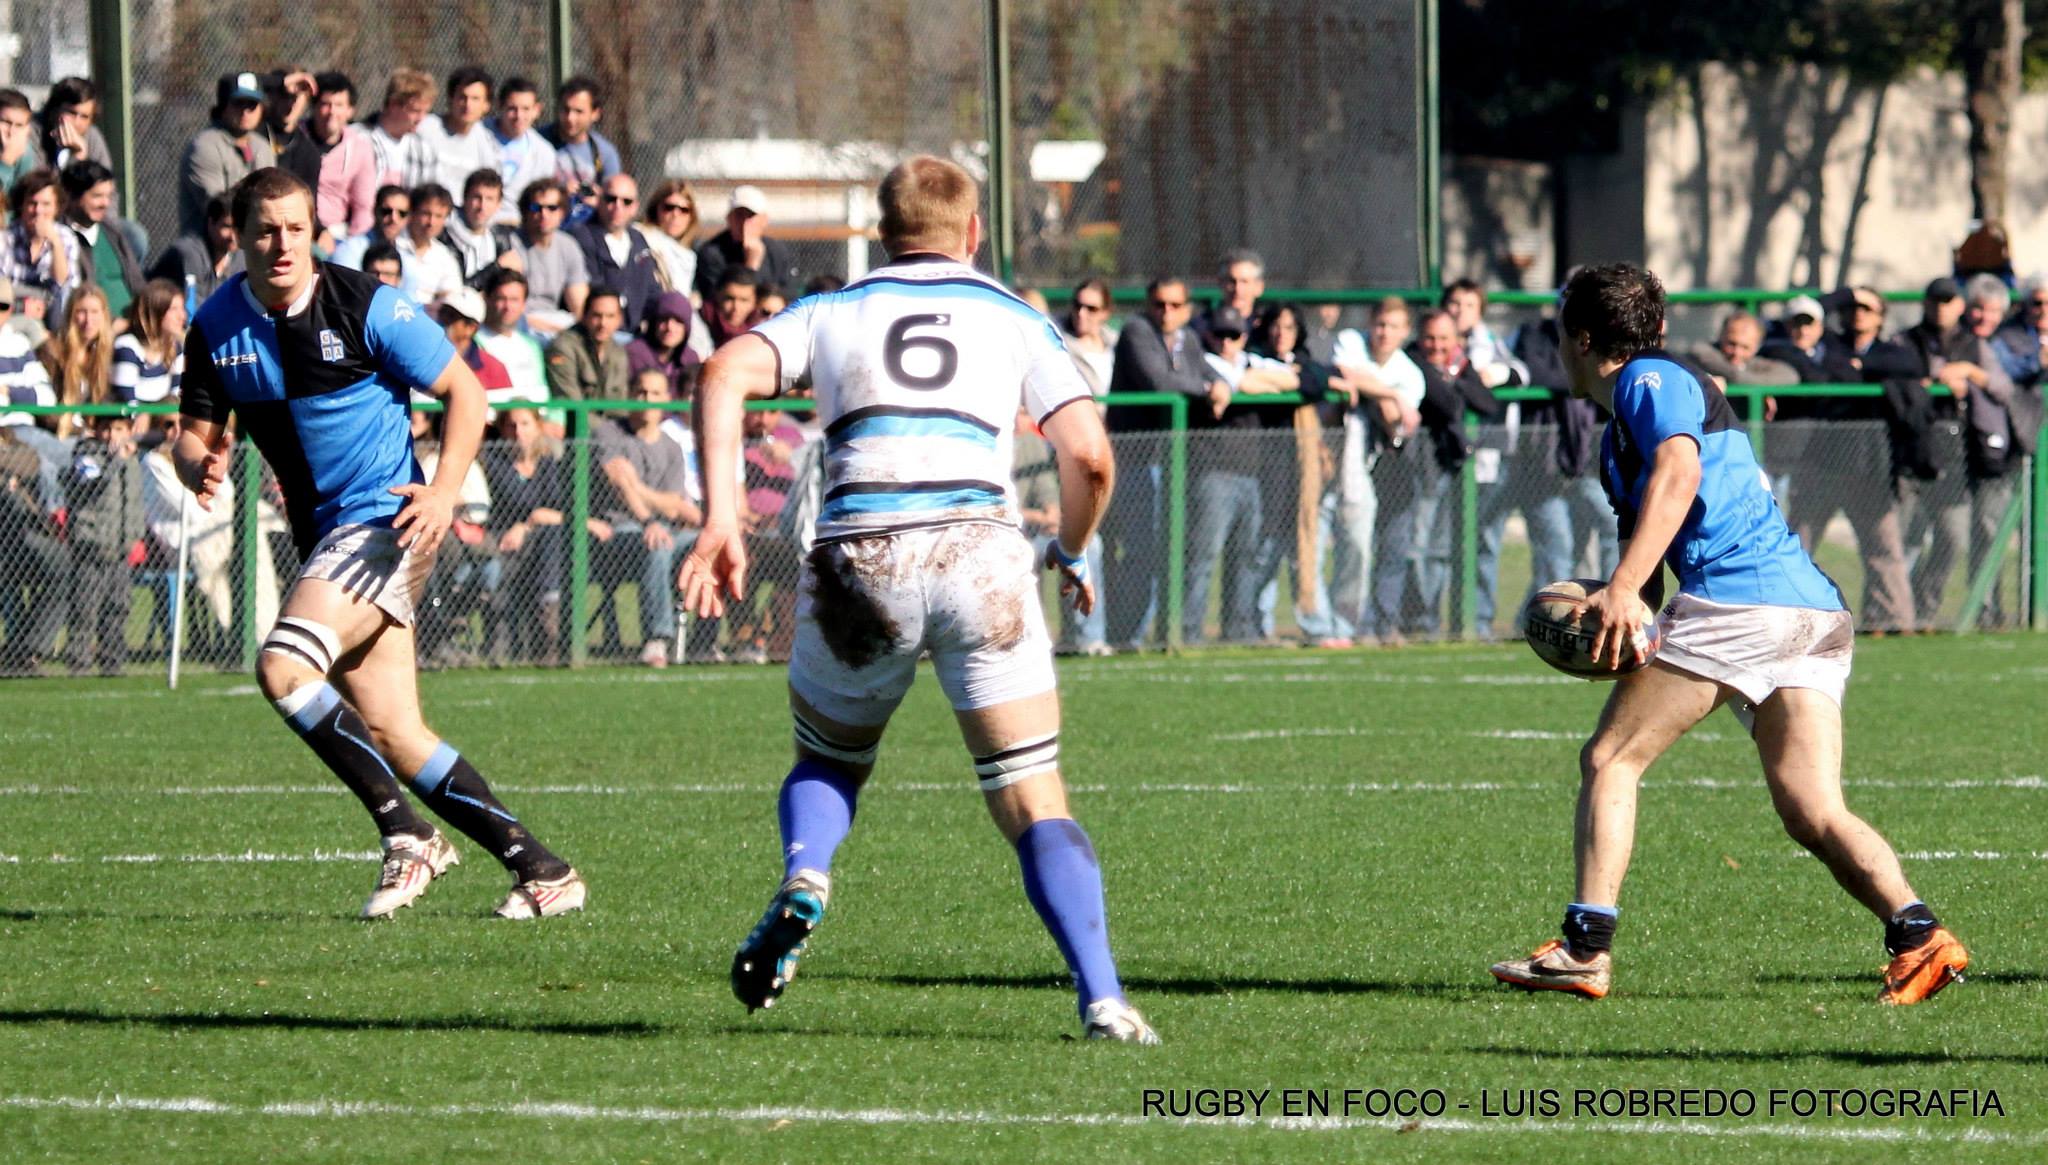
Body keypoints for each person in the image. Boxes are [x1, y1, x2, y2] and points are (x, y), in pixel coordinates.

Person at [681, 154, 1157, 1043]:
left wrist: (721, 520)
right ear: (973, 233)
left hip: (861, 550)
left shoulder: (832, 310)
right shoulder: (1015, 316)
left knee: (830, 761)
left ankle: (807, 872)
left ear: (883, 231)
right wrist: (1069, 547)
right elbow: (1091, 454)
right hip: (980, 555)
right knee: (1032, 793)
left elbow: (721, 374)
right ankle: (1104, 998)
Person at [1489, 262, 1968, 1006]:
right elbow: (1651, 565)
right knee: (1812, 808)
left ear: (1580, 339)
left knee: (1611, 757)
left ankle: (1585, 947)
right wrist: (1620, 606)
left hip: (1740, 602)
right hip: (1810, 612)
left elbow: (1679, 475)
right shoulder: (1624, 433)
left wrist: (1621, 588)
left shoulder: (1649, 379)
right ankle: (1920, 936)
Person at [173, 166, 584, 919]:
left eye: (296, 229)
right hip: (322, 539)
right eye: (266, 231)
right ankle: (543, 868)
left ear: (315, 232)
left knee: (283, 666)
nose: (282, 244)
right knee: (397, 732)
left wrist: (444, 490)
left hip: (383, 523)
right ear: (238, 237)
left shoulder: (367, 304)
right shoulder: (215, 324)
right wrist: (196, 462)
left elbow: (466, 392)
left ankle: (406, 834)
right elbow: (191, 435)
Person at [1102, 276, 1223, 649]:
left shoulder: (1188, 338)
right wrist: (1206, 389)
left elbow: (1207, 371)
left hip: (1173, 461)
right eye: (1159, 304)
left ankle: (1157, 633)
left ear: (1187, 309)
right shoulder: (1136, 331)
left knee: (1168, 549)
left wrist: (1221, 384)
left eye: (1175, 305)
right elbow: (1159, 381)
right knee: (1141, 550)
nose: (1166, 312)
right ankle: (1127, 636)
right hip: (1136, 458)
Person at [592, 367, 697, 666]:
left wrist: (637, 487)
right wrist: (649, 520)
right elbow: (618, 485)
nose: (647, 399)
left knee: (705, 543)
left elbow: (673, 506)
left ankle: (707, 640)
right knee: (658, 544)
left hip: (665, 529)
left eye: (654, 393)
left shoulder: (671, 447)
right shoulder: (609, 433)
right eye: (640, 392)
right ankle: (657, 639)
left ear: (666, 399)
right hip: (617, 533)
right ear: (629, 394)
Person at [480, 406, 565, 664]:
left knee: (549, 534)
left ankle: (548, 626)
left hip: (543, 542)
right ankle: (533, 636)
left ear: (538, 427)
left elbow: (561, 513)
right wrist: (530, 521)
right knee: (542, 537)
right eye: (511, 425)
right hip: (502, 539)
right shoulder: (492, 463)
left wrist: (527, 525)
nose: (518, 432)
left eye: (525, 424)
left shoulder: (549, 463)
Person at [62, 411, 144, 674]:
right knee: (85, 607)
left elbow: (134, 501)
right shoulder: (86, 454)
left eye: (119, 429)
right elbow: (92, 483)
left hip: (120, 547)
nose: (112, 436)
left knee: (118, 607)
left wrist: (135, 534)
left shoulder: (133, 460)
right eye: (106, 429)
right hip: (91, 546)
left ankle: (112, 662)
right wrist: (115, 461)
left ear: (129, 431)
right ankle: (79, 662)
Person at [283, 72, 378, 253]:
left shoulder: (360, 148)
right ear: (314, 107)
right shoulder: (294, 139)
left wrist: (355, 244)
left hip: (338, 235)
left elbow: (363, 206)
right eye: (325, 104)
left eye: (339, 105)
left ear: (350, 110)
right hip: (294, 226)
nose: (332, 112)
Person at [178, 73, 277, 239]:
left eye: (252, 105)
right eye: (238, 103)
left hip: (250, 239)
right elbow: (221, 209)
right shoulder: (204, 147)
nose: (245, 112)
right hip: (207, 245)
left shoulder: (262, 146)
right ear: (223, 106)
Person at [573, 174, 661, 329]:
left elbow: (652, 290)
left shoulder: (638, 239)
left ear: (635, 207)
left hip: (636, 331)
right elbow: (593, 288)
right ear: (599, 200)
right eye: (611, 199)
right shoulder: (582, 236)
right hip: (600, 330)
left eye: (626, 201)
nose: (617, 206)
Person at [59, 160, 143, 323]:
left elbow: (138, 284)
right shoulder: (61, 237)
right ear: (72, 196)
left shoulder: (113, 233)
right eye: (97, 196)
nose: (105, 203)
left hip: (132, 324)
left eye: (108, 196)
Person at [541, 75, 621, 227]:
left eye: (579, 111)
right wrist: (559, 191)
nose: (570, 118)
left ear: (595, 113)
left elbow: (615, 198)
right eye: (566, 110)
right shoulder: (539, 142)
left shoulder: (604, 152)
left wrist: (599, 200)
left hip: (588, 227)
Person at [511, 178, 587, 334]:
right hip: (521, 323)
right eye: (536, 207)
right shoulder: (511, 244)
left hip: (555, 319)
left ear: (562, 212)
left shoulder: (569, 246)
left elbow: (579, 306)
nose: (544, 214)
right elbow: (509, 307)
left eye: (552, 208)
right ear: (525, 211)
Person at [693, 184, 795, 300]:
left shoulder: (777, 252)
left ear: (764, 220)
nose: (744, 223)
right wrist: (751, 266)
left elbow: (787, 296)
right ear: (729, 218)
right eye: (739, 215)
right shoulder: (712, 253)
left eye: (751, 216)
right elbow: (715, 300)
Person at [40, 284, 112, 439]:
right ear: (70, 315)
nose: (88, 320)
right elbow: (45, 409)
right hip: (57, 434)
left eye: (94, 312)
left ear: (104, 316)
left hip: (89, 435)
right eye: (81, 312)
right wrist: (80, 431)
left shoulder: (103, 355)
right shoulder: (52, 352)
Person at [147, 191, 246, 302]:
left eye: (239, 227)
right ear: (211, 223)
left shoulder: (241, 256)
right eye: (226, 226)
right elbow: (192, 308)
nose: (233, 236)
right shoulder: (191, 254)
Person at [487, 78, 557, 227]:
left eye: (526, 109)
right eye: (512, 108)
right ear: (500, 106)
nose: (519, 116)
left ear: (537, 110)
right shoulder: (480, 134)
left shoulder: (544, 152)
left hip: (520, 227)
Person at [474, 269, 549, 405]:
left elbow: (542, 391)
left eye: (514, 300)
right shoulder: (473, 343)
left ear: (523, 304)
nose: (507, 307)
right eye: (501, 299)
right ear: (487, 300)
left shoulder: (531, 346)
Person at [544, 287, 630, 400]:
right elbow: (569, 401)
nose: (603, 323)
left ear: (620, 320)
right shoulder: (562, 347)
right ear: (584, 316)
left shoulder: (618, 353)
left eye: (610, 316)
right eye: (597, 316)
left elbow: (620, 401)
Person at [443, 169, 522, 289]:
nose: (482, 206)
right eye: (477, 197)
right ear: (464, 198)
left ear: (498, 204)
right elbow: (458, 289)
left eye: (489, 199)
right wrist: (497, 267)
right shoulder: (445, 234)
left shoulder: (498, 237)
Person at [112, 279, 185, 405]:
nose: (182, 316)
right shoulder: (127, 348)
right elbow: (128, 405)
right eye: (173, 309)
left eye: (182, 308)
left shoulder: (175, 347)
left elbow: (176, 398)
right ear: (155, 312)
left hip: (163, 417)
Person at [363, 68, 438, 190]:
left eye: (425, 112)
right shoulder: (361, 139)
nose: (421, 118)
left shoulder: (423, 150)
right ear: (393, 104)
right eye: (415, 111)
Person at [432, 66, 501, 197]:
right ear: (450, 99)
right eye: (462, 97)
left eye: (475, 99)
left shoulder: (488, 144)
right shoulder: (427, 128)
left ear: (486, 105)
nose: (468, 105)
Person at [394, 182, 461, 304]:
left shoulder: (445, 258)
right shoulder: (393, 244)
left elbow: (451, 298)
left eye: (439, 216)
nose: (431, 222)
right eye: (426, 214)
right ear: (412, 212)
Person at [626, 290, 700, 396]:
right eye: (664, 320)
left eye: (678, 321)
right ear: (654, 323)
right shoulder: (633, 354)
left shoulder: (690, 359)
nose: (669, 328)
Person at [329, 184, 409, 271]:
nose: (394, 218)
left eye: (402, 213)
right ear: (375, 211)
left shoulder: (406, 255)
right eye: (386, 211)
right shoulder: (349, 250)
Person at [640, 179, 700, 296]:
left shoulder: (689, 256)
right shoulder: (642, 236)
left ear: (691, 217)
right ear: (656, 209)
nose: (675, 215)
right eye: (669, 207)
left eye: (684, 210)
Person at [1060, 276, 1115, 395]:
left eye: (1091, 309)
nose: (1081, 313)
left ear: (1105, 313)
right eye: (1077, 305)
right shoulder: (1059, 346)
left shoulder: (1117, 344)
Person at [0, 89, 39, 196]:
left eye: (19, 125)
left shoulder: (25, 152)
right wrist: (6, 163)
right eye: (6, 122)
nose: (11, 131)